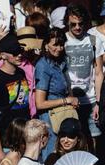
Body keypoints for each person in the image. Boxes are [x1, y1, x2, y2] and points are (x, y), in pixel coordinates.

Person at [0, 34, 31, 165]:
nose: (19, 55)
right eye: (14, 53)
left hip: (25, 138)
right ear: (3, 55)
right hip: (6, 141)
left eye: (20, 51)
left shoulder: (21, 73)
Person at [61, 5, 101, 142]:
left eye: (81, 23)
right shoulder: (62, 41)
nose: (77, 27)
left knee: (93, 140)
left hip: (91, 100)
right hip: (69, 101)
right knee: (71, 140)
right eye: (73, 24)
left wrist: (98, 102)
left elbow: (98, 73)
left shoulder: (93, 40)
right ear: (67, 22)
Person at [34, 28, 74, 157]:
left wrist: (71, 98)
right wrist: (66, 100)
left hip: (63, 115)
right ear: (46, 45)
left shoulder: (61, 62)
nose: (59, 48)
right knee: (51, 156)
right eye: (55, 45)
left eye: (61, 45)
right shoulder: (43, 66)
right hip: (50, 119)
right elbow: (40, 103)